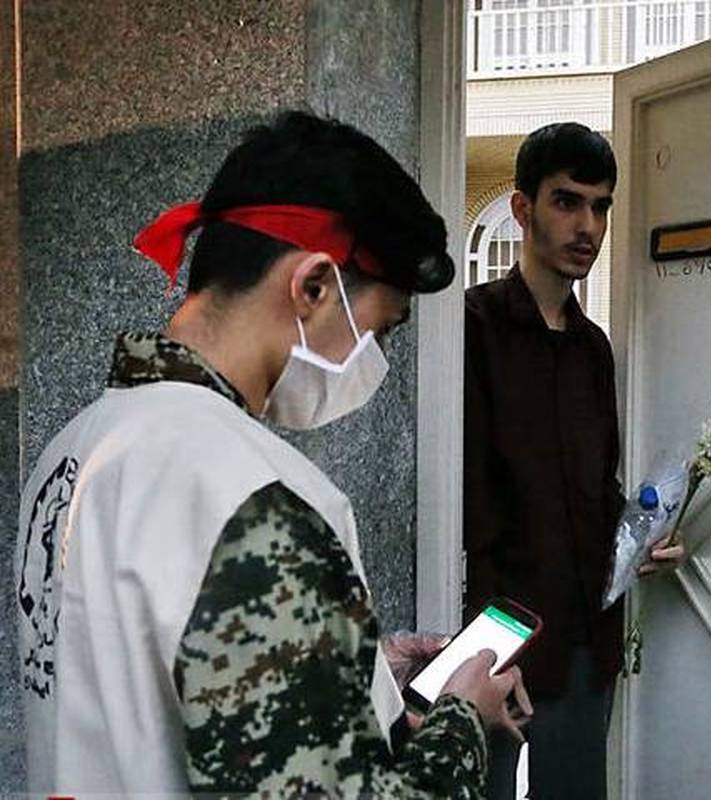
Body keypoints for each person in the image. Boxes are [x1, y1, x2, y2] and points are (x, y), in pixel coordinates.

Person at [16, 110, 529, 797]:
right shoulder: (255, 497)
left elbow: (152, 681)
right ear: (313, 286)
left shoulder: (74, 450)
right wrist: (463, 717)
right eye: (381, 330)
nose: (375, 359)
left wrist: (355, 673)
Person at [464, 122, 684, 799]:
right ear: (523, 208)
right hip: (495, 643)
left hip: (588, 638)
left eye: (600, 206)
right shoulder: (471, 328)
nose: (587, 226)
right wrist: (475, 646)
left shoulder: (593, 349)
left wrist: (639, 539)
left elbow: (595, 486)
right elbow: (468, 502)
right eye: (567, 202)